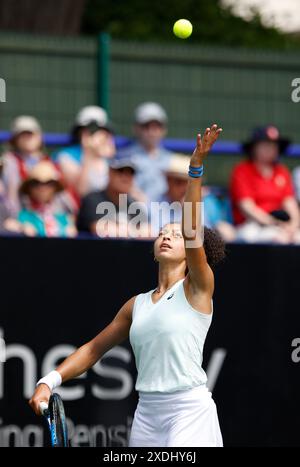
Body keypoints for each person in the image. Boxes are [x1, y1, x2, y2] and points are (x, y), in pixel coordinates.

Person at [29, 124, 225, 447]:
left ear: (191, 253)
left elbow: (192, 229)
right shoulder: (136, 305)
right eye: (164, 232)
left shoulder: (198, 289)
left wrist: (195, 169)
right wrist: (48, 381)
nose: (167, 235)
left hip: (189, 412)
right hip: (147, 414)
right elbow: (93, 349)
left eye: (177, 236)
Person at [230, 125, 300, 243]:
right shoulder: (242, 171)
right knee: (273, 238)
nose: (270, 148)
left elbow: (290, 203)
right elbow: (247, 207)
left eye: (274, 145)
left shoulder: (282, 171)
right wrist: (273, 223)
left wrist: (292, 226)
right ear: (254, 148)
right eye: (265, 144)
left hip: (281, 226)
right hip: (251, 226)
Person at [155, 153, 236, 241]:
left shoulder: (207, 201)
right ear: (168, 181)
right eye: (179, 182)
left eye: (189, 182)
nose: (184, 187)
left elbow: (219, 228)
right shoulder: (156, 202)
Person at [77, 153, 149, 238]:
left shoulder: (134, 205)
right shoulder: (92, 200)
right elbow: (101, 230)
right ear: (109, 173)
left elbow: (147, 232)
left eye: (131, 173)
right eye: (120, 171)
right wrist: (135, 231)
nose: (125, 177)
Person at [53, 106, 115, 199]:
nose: (95, 133)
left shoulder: (111, 158)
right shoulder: (65, 155)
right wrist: (89, 154)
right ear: (80, 132)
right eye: (89, 129)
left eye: (99, 129)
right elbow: (81, 192)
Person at [119, 102, 172, 203]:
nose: (152, 131)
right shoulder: (124, 159)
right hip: (135, 213)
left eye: (157, 126)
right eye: (146, 126)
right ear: (136, 128)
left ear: (164, 129)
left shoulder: (171, 160)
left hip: (168, 213)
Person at [1, 116, 48, 215]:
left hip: (44, 218)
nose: (27, 138)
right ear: (15, 139)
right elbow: (10, 197)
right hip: (17, 218)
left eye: (30, 134)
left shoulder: (48, 162)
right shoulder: (8, 161)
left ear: (39, 137)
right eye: (23, 135)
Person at [17, 160, 77, 237]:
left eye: (49, 183)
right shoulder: (23, 217)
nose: (42, 188)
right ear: (29, 188)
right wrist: (20, 227)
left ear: (55, 188)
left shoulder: (64, 219)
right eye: (36, 183)